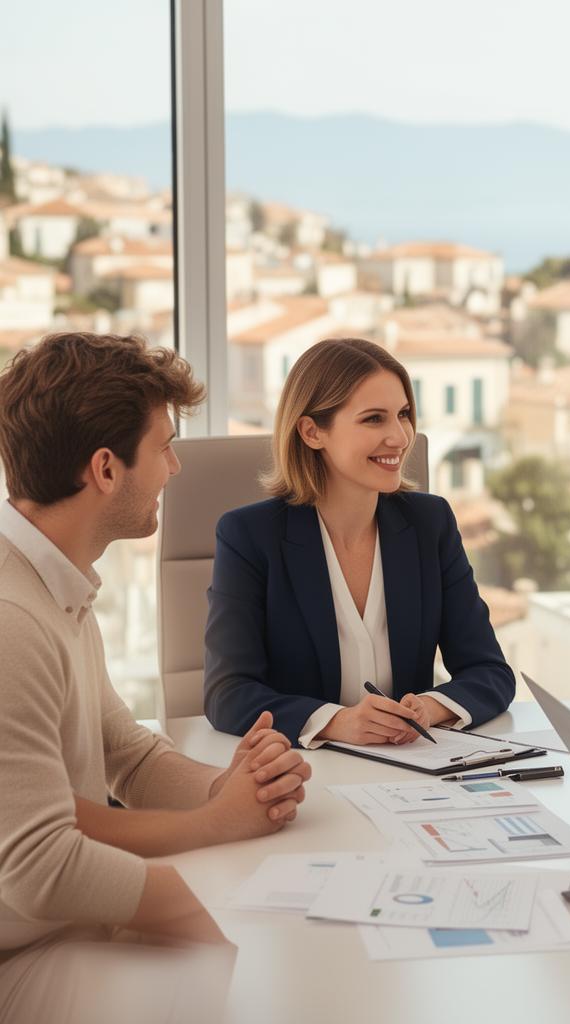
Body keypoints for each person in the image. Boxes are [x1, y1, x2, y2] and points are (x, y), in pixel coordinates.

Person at [0, 332, 311, 1023]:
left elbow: (125, 751)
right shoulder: (11, 619)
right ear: (106, 469)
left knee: (271, 953)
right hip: (18, 962)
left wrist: (228, 788)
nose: (174, 468)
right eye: (163, 445)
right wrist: (207, 850)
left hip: (53, 934)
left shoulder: (54, 584)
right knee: (257, 980)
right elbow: (41, 867)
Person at [204, 337, 515, 748]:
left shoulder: (429, 523)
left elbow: (490, 671)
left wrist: (432, 707)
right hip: (304, 771)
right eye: (374, 419)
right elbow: (227, 693)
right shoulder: (250, 536)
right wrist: (336, 722)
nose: (400, 437)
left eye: (403, 415)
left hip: (413, 771)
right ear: (312, 431)